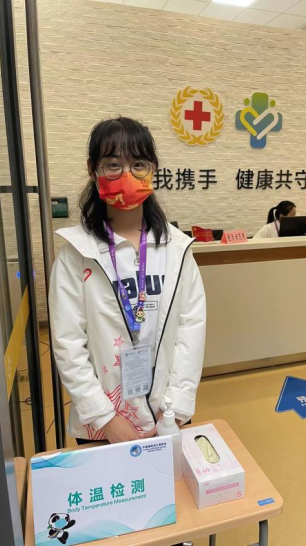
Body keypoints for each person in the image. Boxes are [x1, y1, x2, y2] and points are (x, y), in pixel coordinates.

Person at [49, 116, 206, 445]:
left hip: (166, 413)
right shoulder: (77, 253)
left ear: (153, 170)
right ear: (93, 169)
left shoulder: (176, 248)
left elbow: (191, 329)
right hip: (103, 424)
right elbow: (68, 342)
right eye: (113, 164)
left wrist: (175, 408)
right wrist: (105, 418)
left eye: (138, 164)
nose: (127, 175)